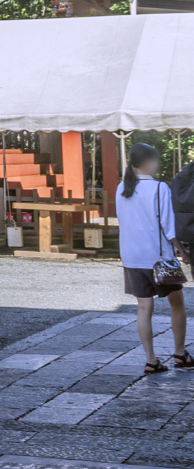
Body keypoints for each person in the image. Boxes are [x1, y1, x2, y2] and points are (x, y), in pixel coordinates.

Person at [116, 142, 190, 373]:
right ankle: (180, 353)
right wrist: (183, 252)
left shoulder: (121, 188)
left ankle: (151, 359)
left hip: (131, 256)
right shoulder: (160, 188)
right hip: (159, 258)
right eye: (155, 161)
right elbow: (168, 228)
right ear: (148, 162)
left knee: (144, 308)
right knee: (177, 303)